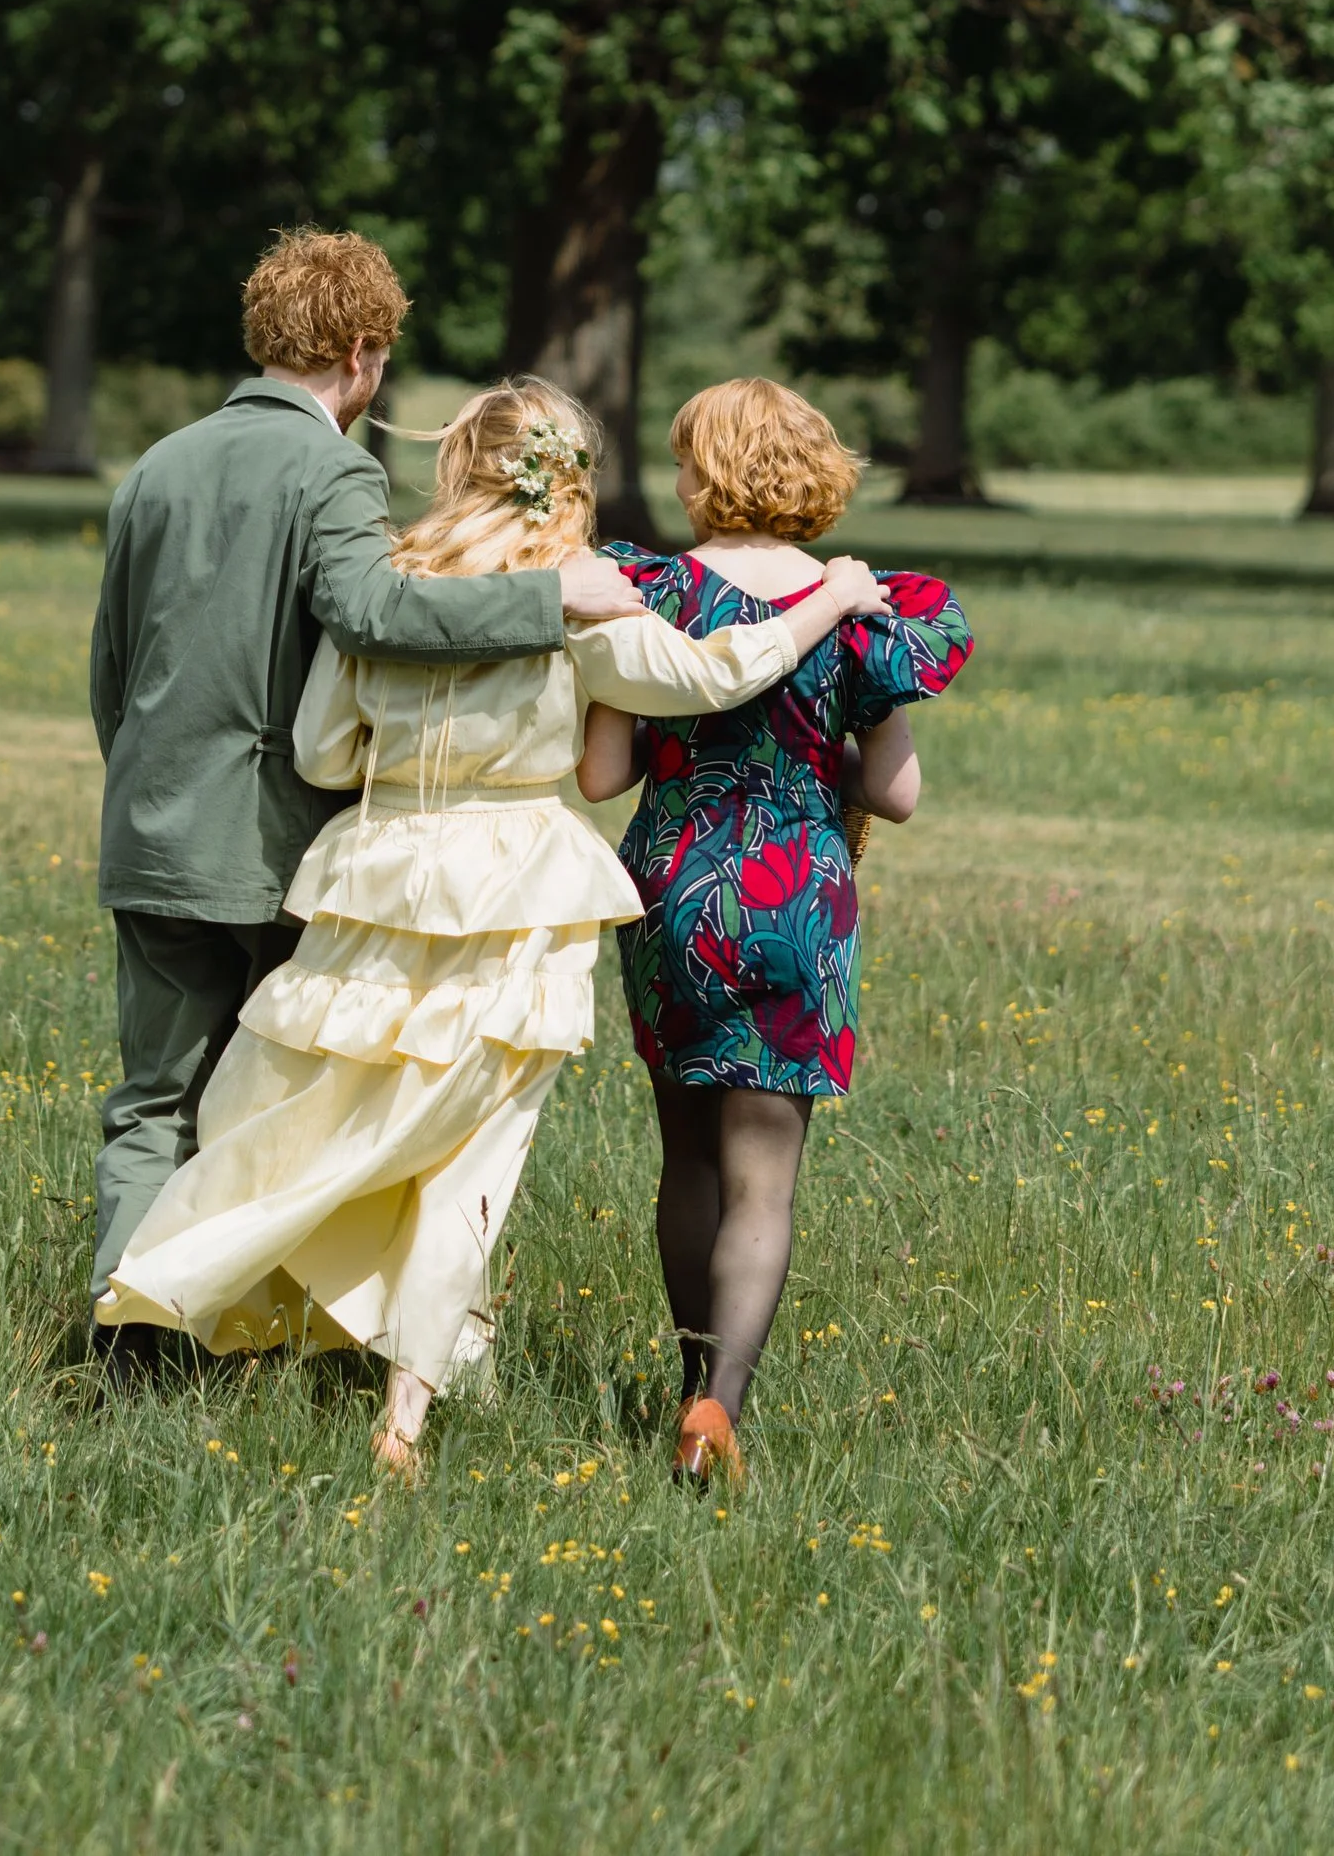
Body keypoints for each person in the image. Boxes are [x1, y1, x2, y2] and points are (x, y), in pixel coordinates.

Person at [92, 378, 886, 1472]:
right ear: (570, 478)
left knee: (305, 1116)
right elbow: (713, 673)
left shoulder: (394, 579)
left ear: (457, 464)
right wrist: (829, 600)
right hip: (516, 890)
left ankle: (174, 1295)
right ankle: (403, 1411)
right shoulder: (583, 594)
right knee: (474, 1154)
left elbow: (323, 752)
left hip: (376, 877)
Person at [85, 228, 652, 1345]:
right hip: (267, 843)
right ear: (360, 351)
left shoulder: (160, 460)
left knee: (153, 1102)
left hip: (148, 827)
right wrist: (557, 600)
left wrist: (146, 785)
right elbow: (375, 613)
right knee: (274, 1108)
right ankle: (257, 1324)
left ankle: (126, 1341)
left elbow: (112, 668)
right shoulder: (332, 467)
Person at [611, 377, 972, 1486]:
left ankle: (687, 1383)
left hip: (673, 888)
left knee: (687, 1157)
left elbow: (604, 771)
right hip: (793, 891)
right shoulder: (858, 608)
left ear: (704, 472)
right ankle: (720, 1409)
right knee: (763, 1176)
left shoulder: (655, 595)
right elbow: (898, 794)